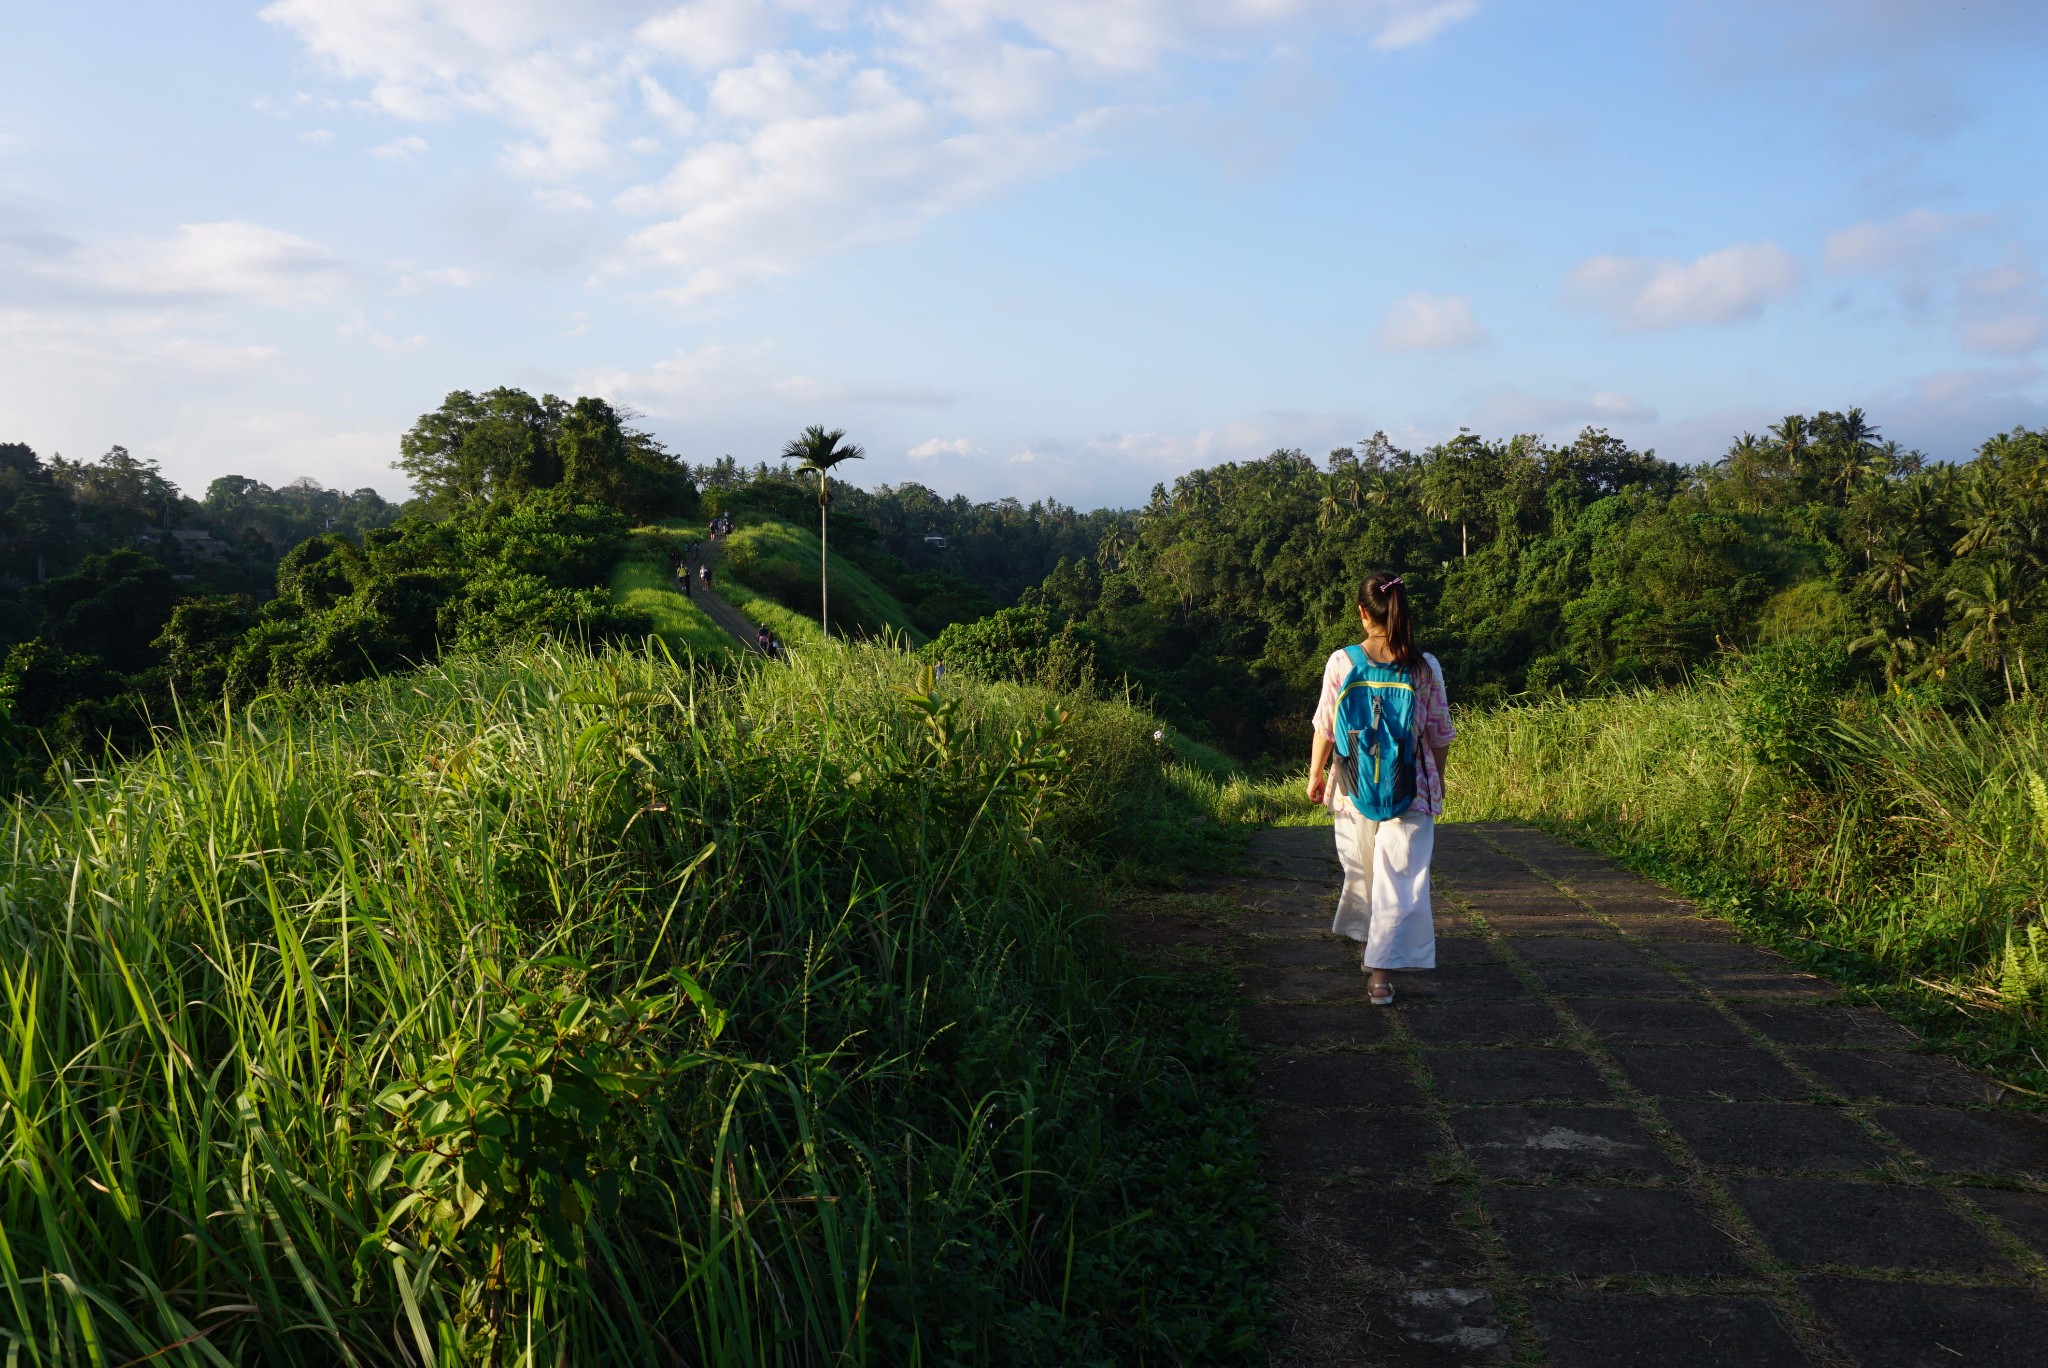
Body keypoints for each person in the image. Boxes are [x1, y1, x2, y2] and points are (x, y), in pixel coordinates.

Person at [1305, 573, 1455, 1006]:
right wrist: (1437, 781)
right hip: (1411, 785)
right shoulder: (1424, 666)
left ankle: (1374, 953)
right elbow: (1439, 734)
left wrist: (1316, 774)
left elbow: (1326, 725)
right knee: (1398, 879)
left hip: (1352, 784)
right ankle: (1380, 975)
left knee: (1365, 870)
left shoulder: (1342, 661)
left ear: (1362, 613)